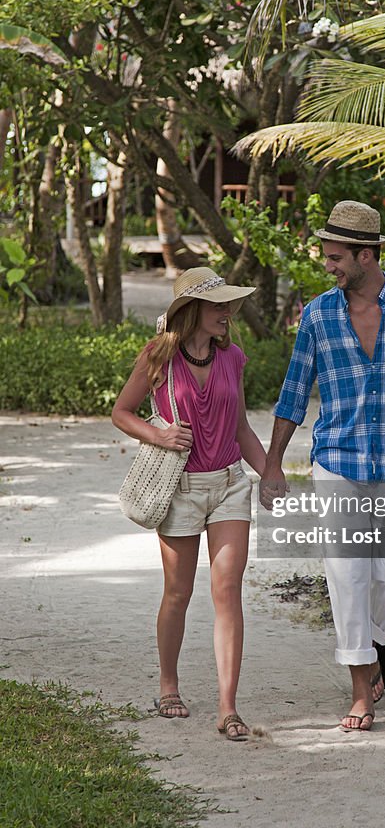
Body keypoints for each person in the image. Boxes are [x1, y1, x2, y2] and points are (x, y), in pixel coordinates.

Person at [261, 201, 385, 732]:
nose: (329, 266)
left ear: (366, 255)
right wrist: (273, 464)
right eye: (327, 256)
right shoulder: (318, 314)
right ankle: (361, 682)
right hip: (337, 460)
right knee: (347, 572)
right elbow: (294, 392)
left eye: (337, 257)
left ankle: (373, 642)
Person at [112, 267, 266, 741]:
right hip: (178, 487)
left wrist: (271, 471)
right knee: (178, 593)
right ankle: (169, 685)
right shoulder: (158, 355)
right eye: (218, 305)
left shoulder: (233, 358)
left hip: (229, 486)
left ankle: (227, 706)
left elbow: (239, 427)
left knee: (228, 592)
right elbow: (121, 411)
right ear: (192, 310)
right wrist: (157, 433)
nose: (227, 313)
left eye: (229, 305)